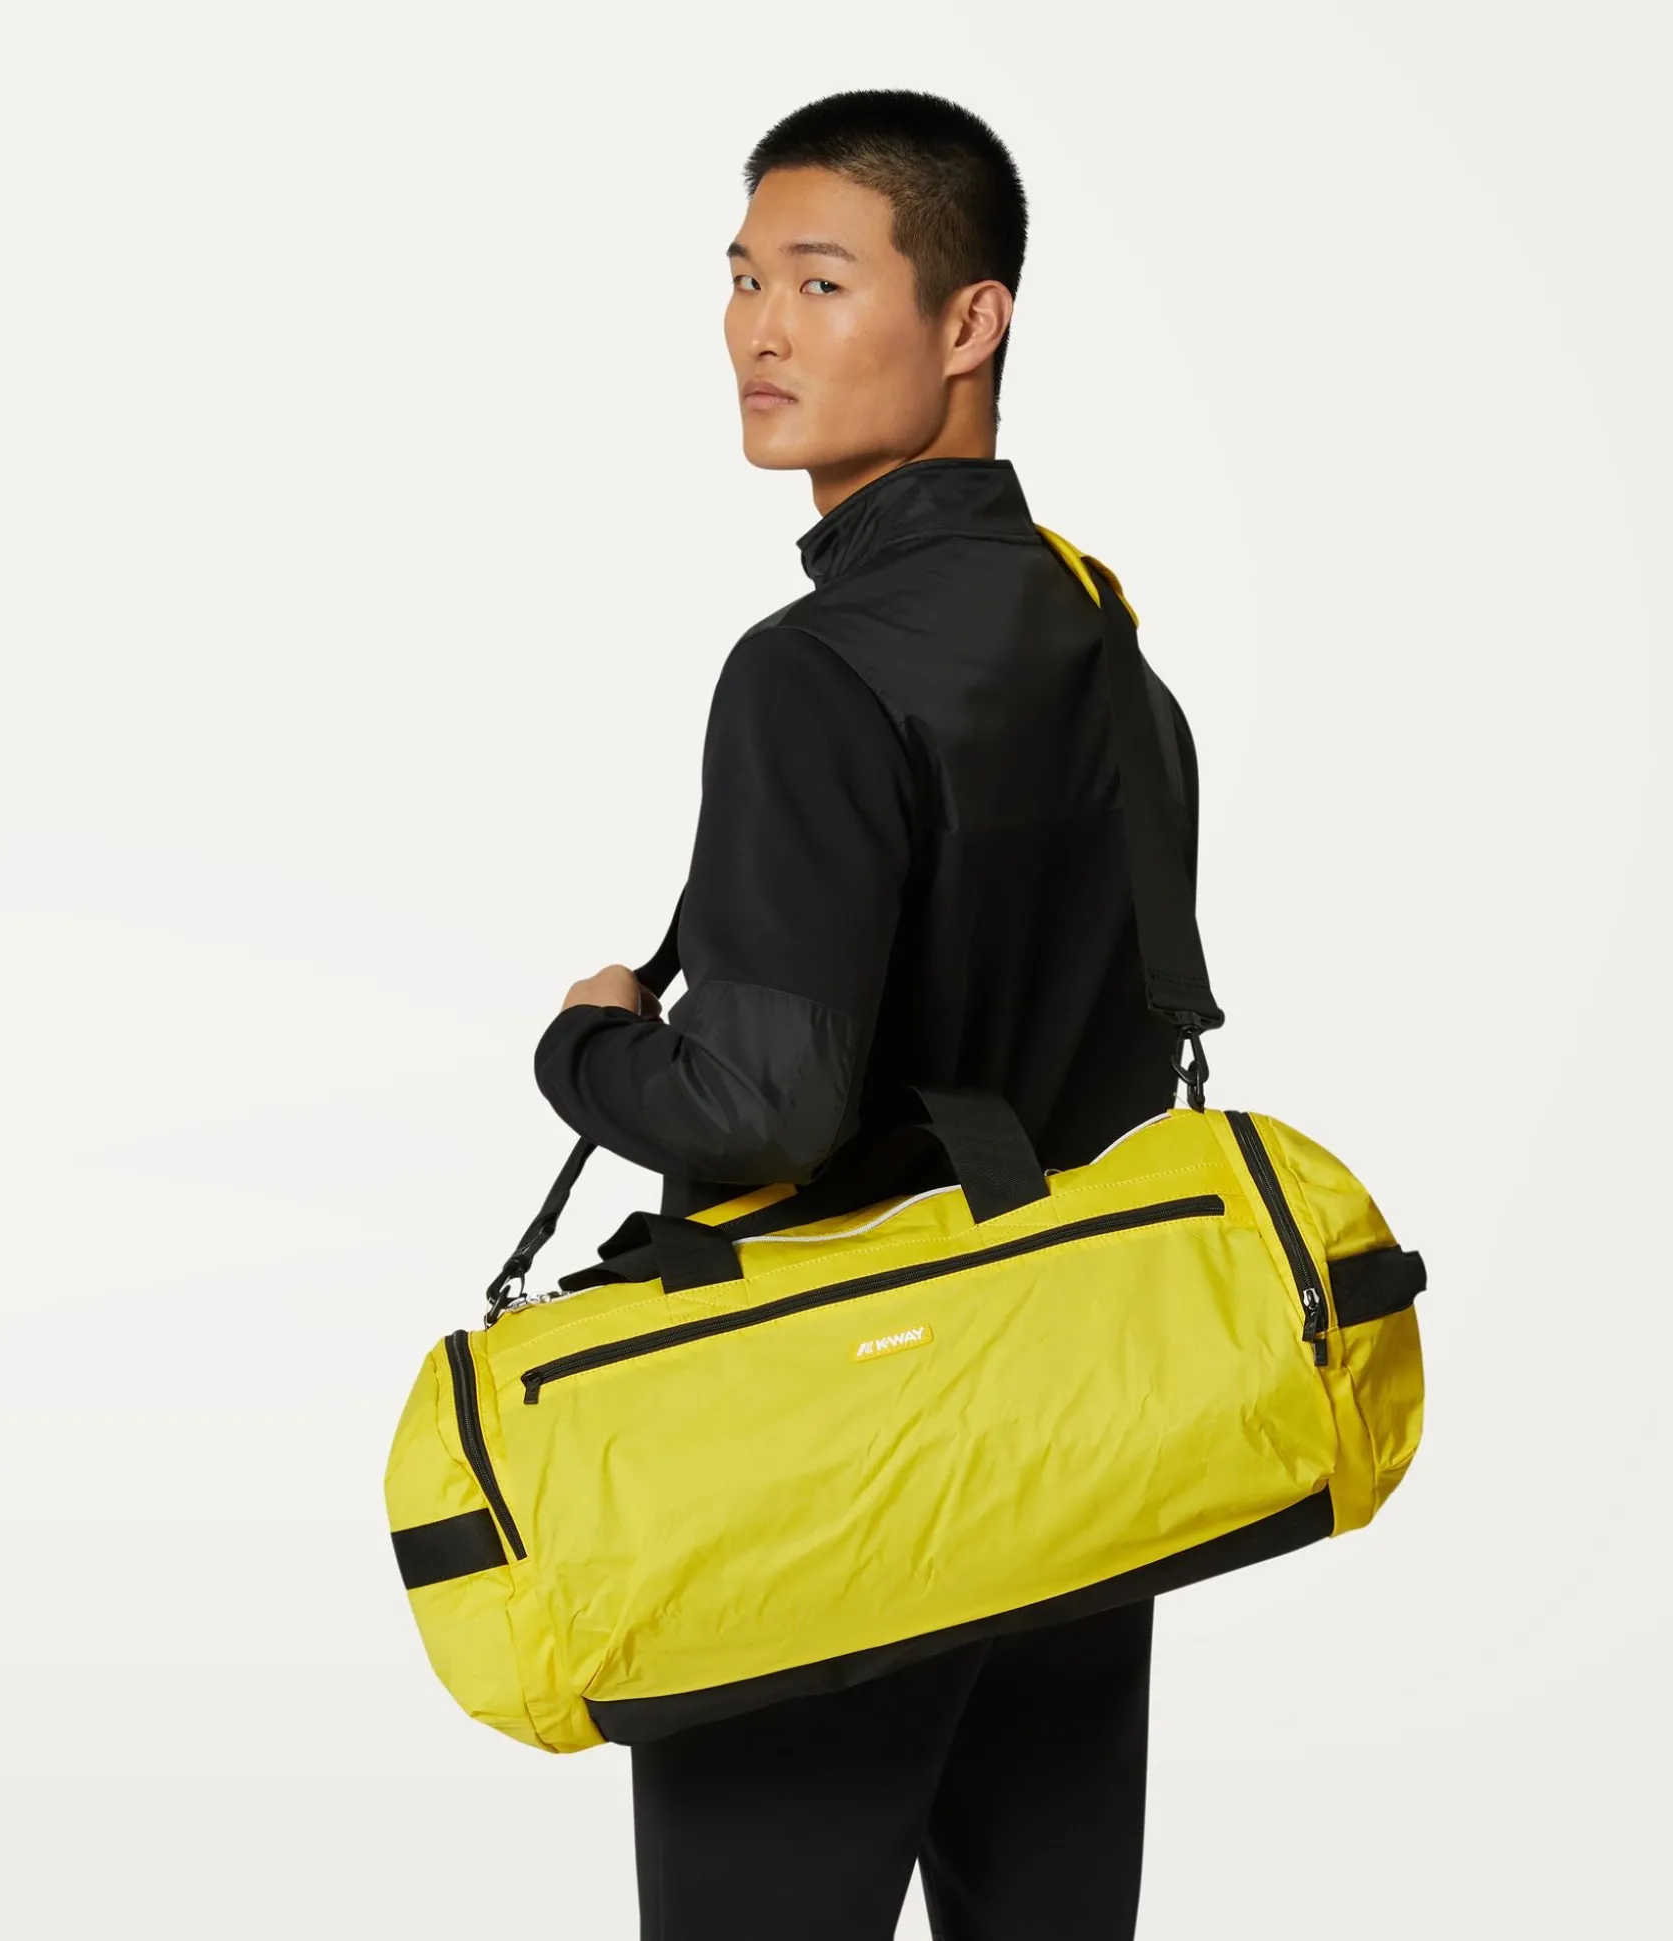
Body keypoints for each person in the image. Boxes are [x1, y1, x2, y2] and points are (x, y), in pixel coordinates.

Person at [531, 88, 1202, 1941]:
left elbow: (770, 1106)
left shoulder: (809, 676)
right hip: (1080, 1432)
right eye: (745, 278)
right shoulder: (1104, 640)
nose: (761, 330)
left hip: (829, 1462)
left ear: (970, 321)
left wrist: (586, 1041)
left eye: (822, 283)